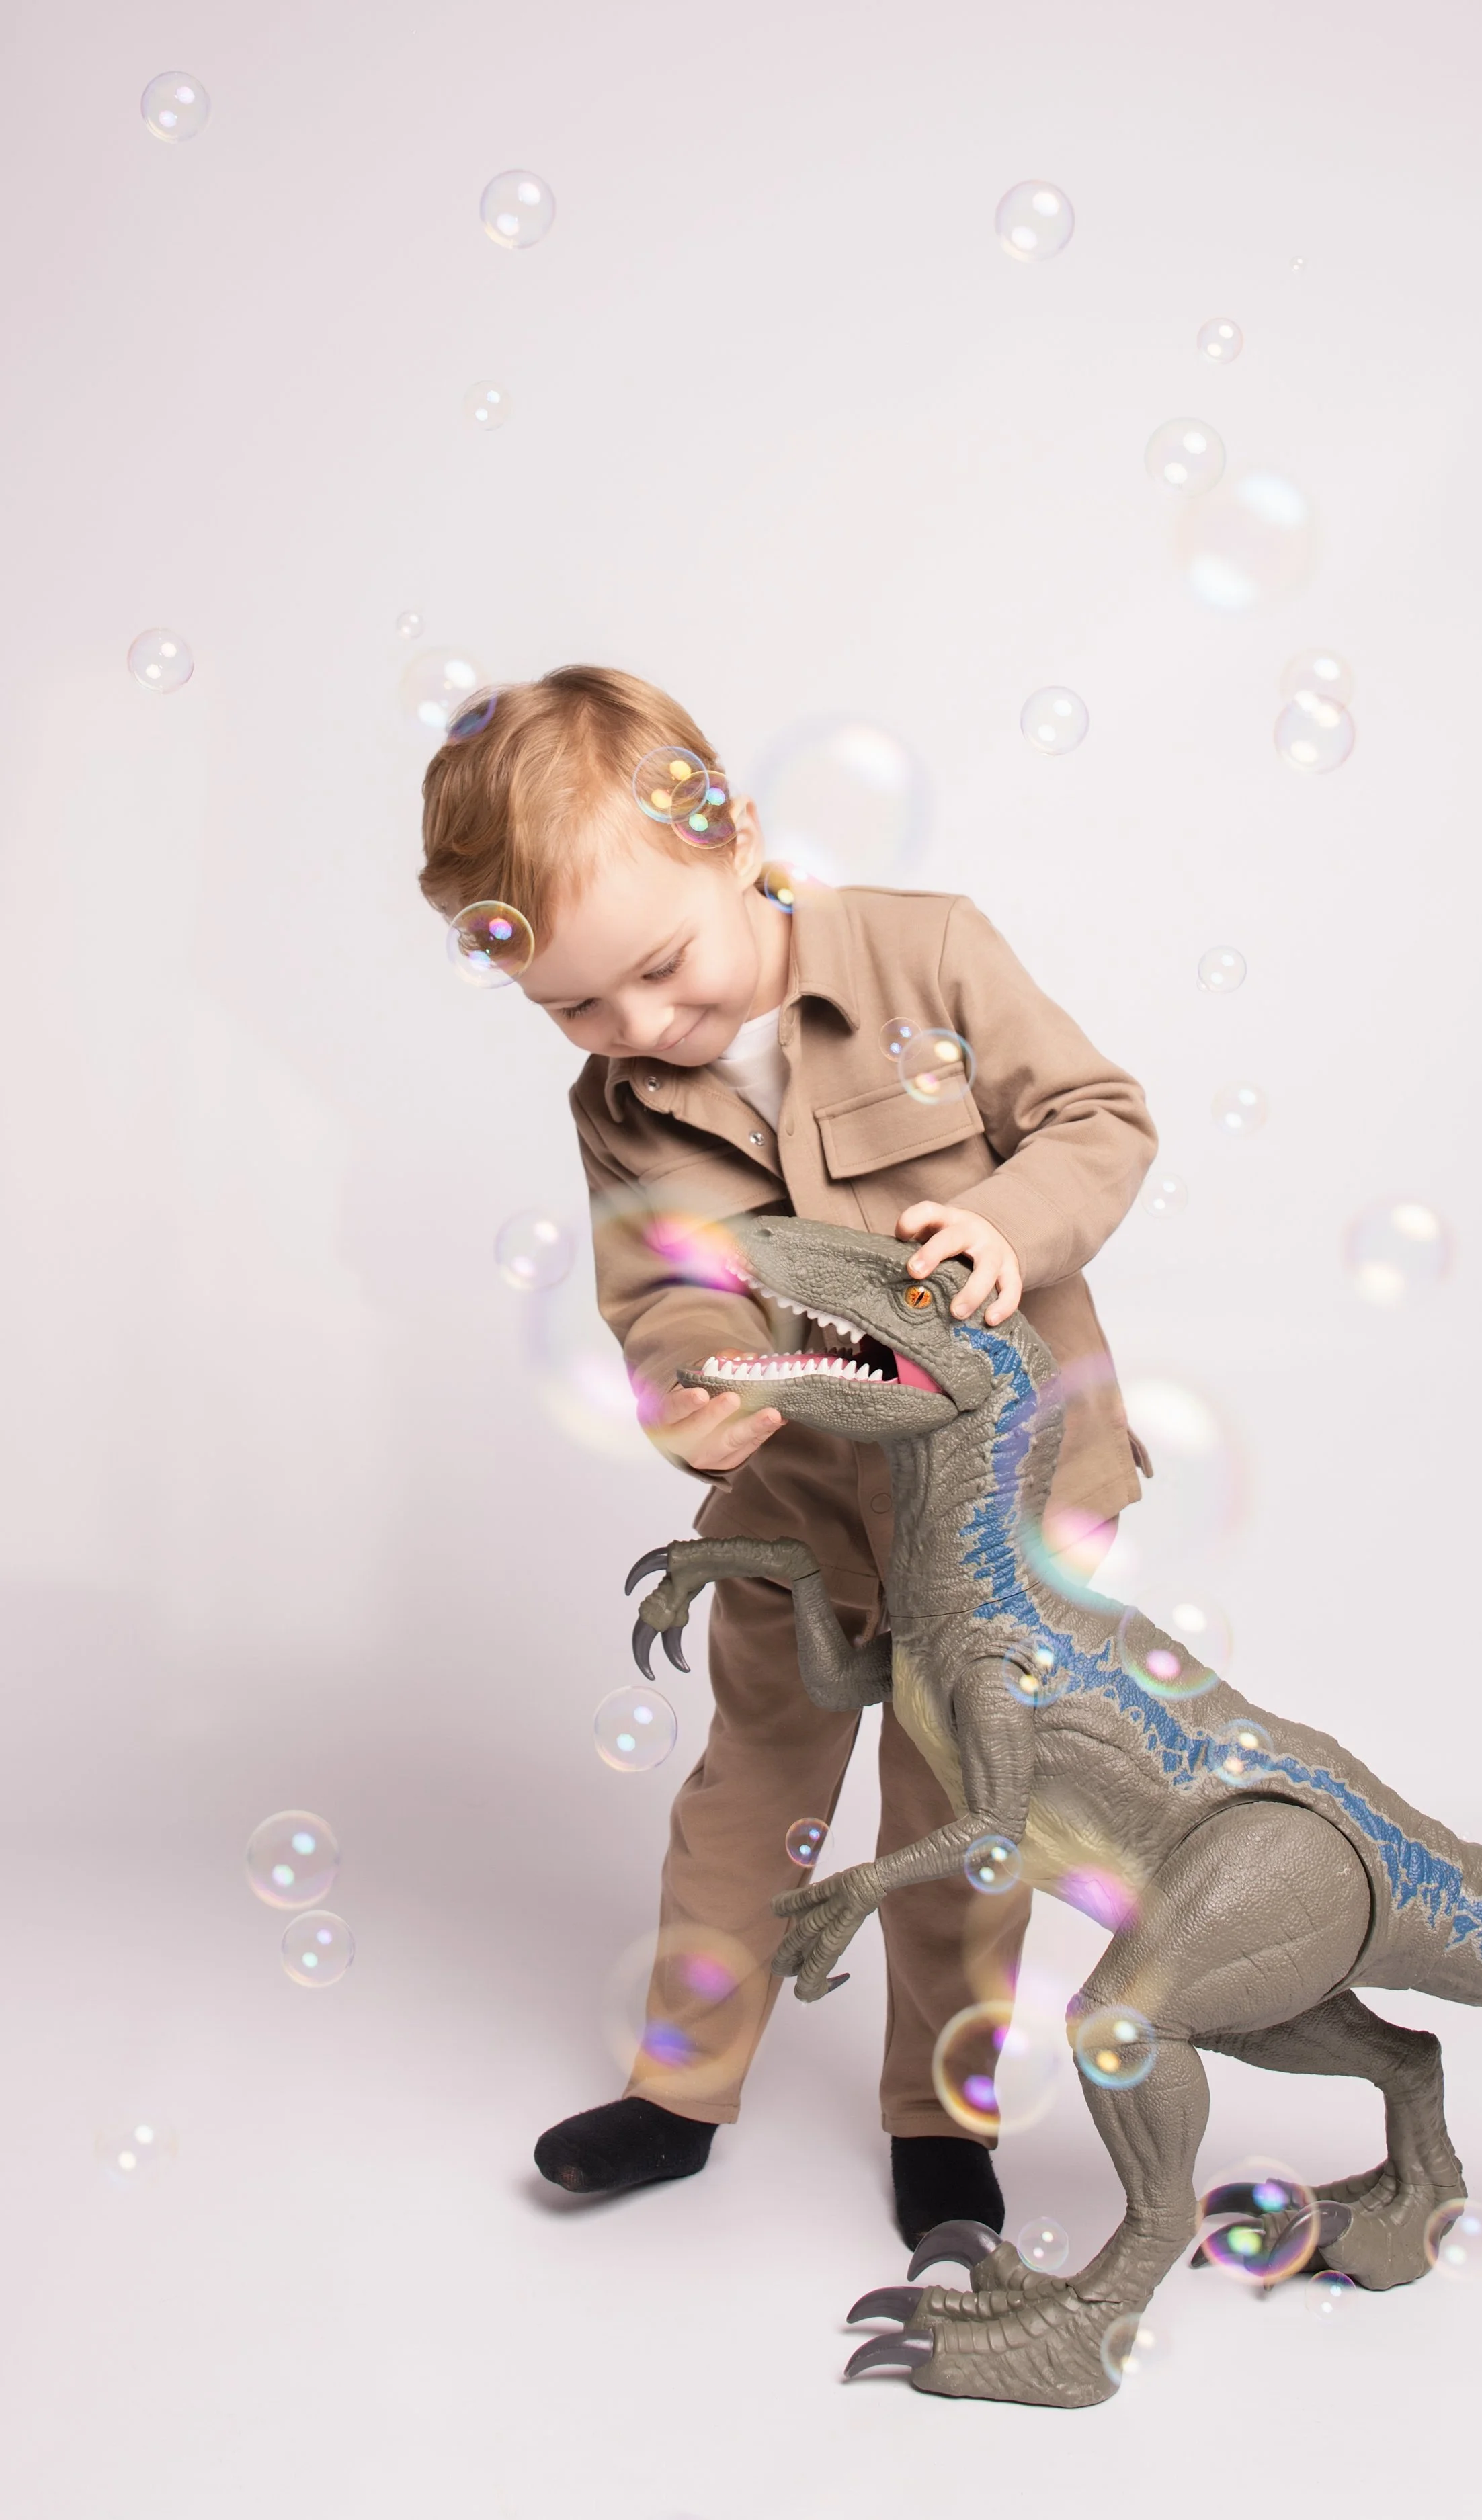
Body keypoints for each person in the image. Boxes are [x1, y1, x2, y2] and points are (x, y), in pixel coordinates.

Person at [418, 665, 1157, 2244]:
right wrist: (689, 1398)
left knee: (965, 1802)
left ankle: (937, 2122)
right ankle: (677, 2095)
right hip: (803, 1514)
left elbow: (1099, 1118)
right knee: (749, 1793)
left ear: (737, 840)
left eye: (663, 968)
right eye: (571, 1004)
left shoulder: (928, 949)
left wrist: (1006, 1227)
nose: (633, 1027)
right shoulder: (617, 1102)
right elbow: (664, 1298)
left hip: (1007, 1504)